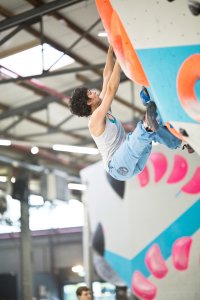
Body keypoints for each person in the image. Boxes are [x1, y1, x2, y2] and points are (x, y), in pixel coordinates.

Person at [69, 45, 192, 181]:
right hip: (118, 165)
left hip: (133, 161)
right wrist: (121, 55)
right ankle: (147, 125)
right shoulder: (94, 120)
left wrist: (112, 49)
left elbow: (107, 75)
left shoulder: (101, 107)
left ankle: (181, 143)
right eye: (90, 93)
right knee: (145, 128)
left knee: (152, 132)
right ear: (88, 102)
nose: (94, 91)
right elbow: (111, 88)